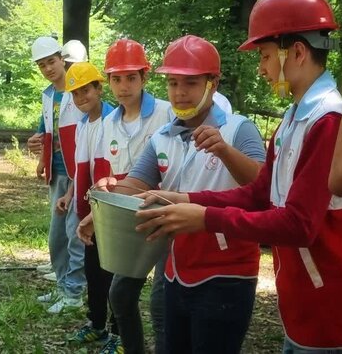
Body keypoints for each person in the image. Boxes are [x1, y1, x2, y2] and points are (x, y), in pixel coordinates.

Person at [135, 0, 342, 353]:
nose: (262, 68)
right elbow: (258, 194)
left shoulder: (327, 121)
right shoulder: (294, 119)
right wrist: (184, 198)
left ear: (296, 52)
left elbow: (300, 224)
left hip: (329, 305)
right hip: (302, 301)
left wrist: (205, 218)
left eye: (266, 56)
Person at [79, 35, 266, 354]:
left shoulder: (238, 129)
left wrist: (224, 151)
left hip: (227, 273)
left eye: (190, 83)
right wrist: (103, 204)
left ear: (213, 83)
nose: (179, 93)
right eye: (173, 83)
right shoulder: (162, 138)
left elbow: (264, 190)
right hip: (175, 268)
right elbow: (134, 186)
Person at [93, 39, 172, 354]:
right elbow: (112, 172)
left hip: (169, 216)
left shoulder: (167, 113)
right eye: (116, 78)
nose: (123, 86)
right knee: (121, 295)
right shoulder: (109, 123)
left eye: (130, 77)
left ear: (144, 78)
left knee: (163, 304)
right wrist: (106, 183)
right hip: (132, 221)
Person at [56, 61, 120, 347]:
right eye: (75, 94)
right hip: (89, 209)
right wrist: (70, 195)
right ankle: (97, 323)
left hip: (113, 208)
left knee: (115, 274)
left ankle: (119, 332)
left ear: (99, 88)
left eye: (86, 91)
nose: (82, 98)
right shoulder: (82, 125)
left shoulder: (115, 120)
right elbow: (83, 170)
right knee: (93, 272)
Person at [30, 36, 87, 313]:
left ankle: (75, 292)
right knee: (57, 237)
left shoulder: (78, 92)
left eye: (51, 62)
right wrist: (40, 152)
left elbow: (99, 123)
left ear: (61, 59)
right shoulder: (47, 95)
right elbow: (45, 130)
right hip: (56, 173)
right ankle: (63, 286)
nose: (48, 69)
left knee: (75, 234)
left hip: (77, 174)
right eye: (42, 65)